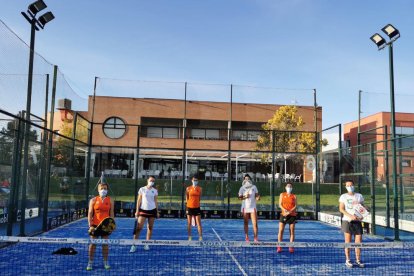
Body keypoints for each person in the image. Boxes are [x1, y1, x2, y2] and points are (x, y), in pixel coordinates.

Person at [87, 181, 114, 271]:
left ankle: (106, 262)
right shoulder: (93, 200)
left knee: (105, 244)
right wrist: (90, 225)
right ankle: (90, 263)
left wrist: (112, 224)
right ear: (98, 190)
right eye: (101, 188)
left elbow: (112, 213)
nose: (103, 190)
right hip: (95, 225)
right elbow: (90, 213)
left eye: (105, 188)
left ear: (107, 190)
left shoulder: (110, 200)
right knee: (92, 244)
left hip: (106, 225)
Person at [339, 180, 365, 268]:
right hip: (347, 221)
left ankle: (358, 260)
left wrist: (362, 215)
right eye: (348, 185)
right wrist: (350, 216)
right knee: (348, 242)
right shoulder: (343, 196)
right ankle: (348, 260)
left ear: (354, 185)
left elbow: (363, 207)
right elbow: (341, 209)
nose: (350, 186)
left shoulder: (359, 196)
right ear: (345, 187)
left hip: (357, 222)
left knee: (358, 242)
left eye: (351, 185)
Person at [130, 176, 159, 252]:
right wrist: (137, 211)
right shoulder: (142, 189)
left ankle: (147, 244)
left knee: (150, 228)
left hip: (152, 211)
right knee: (139, 228)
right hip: (143, 210)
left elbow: (155, 201)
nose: (152, 182)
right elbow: (139, 201)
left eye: (153, 181)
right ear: (147, 180)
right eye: (150, 180)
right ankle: (134, 245)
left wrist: (157, 211)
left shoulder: (155, 191)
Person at [238, 174, 260, 242]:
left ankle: (255, 238)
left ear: (250, 179)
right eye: (245, 179)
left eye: (248, 178)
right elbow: (240, 198)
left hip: (252, 207)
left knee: (255, 223)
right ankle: (247, 237)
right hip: (245, 208)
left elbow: (257, 196)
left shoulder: (254, 187)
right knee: (246, 223)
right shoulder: (242, 188)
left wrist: (258, 198)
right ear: (244, 180)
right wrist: (245, 197)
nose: (247, 180)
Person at [277, 182, 297, 253]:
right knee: (281, 230)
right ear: (285, 187)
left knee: (292, 231)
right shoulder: (282, 194)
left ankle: (291, 246)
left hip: (292, 215)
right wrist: (284, 210)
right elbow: (280, 204)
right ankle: (279, 246)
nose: (289, 187)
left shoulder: (294, 196)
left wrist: (290, 211)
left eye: (290, 186)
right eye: (288, 186)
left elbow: (295, 206)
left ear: (292, 188)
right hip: (283, 214)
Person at [186, 176, 203, 241]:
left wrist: (196, 203)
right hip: (189, 207)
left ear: (197, 181)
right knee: (189, 223)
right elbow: (187, 198)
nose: (195, 181)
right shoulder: (188, 188)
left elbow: (199, 198)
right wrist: (187, 206)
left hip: (197, 208)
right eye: (194, 180)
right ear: (192, 180)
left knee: (199, 223)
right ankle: (189, 237)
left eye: (196, 180)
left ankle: (200, 237)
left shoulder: (200, 188)